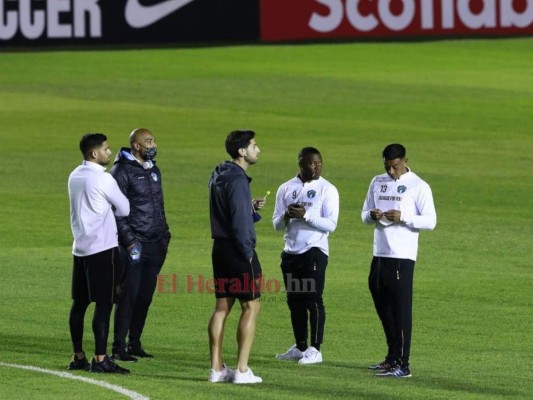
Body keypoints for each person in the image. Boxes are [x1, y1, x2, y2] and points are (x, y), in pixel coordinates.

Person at [361, 143, 437, 378]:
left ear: (404, 161)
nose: (391, 171)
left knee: (400, 309)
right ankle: (391, 357)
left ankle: (403, 365)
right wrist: (372, 214)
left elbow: (430, 221)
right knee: (381, 302)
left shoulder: (418, 186)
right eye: (387, 167)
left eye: (394, 166)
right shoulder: (377, 182)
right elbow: (364, 215)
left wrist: (403, 217)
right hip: (380, 254)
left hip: (402, 256)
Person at [67, 133, 131, 374]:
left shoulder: (74, 175)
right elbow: (124, 209)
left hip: (80, 249)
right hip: (103, 250)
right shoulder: (103, 180)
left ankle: (78, 356)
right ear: (94, 153)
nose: (109, 151)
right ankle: (101, 359)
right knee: (104, 305)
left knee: (79, 304)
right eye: (105, 149)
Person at [273, 147, 339, 365]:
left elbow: (331, 224)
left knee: (313, 299)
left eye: (320, 163)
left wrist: (307, 215)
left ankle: (316, 349)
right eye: (312, 163)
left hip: (314, 251)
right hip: (291, 252)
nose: (317, 166)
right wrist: (286, 214)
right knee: (294, 301)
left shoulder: (327, 189)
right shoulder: (285, 188)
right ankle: (300, 347)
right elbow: (275, 224)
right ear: (301, 164)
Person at [110, 128, 171, 362]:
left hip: (156, 243)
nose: (153, 144)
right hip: (134, 245)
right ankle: (118, 347)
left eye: (153, 140)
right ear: (135, 146)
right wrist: (129, 242)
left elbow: (159, 205)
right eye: (148, 141)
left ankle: (134, 343)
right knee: (128, 296)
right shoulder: (121, 172)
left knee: (145, 296)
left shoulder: (153, 169)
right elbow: (116, 213)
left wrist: (165, 234)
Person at [207, 130, 264, 384]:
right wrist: (247, 251)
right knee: (251, 305)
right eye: (254, 146)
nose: (257, 149)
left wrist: (247, 206)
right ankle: (241, 371)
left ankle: (216, 369)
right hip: (238, 250)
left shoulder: (219, 172)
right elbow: (240, 223)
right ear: (242, 152)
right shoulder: (239, 180)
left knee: (222, 307)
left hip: (219, 249)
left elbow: (227, 209)